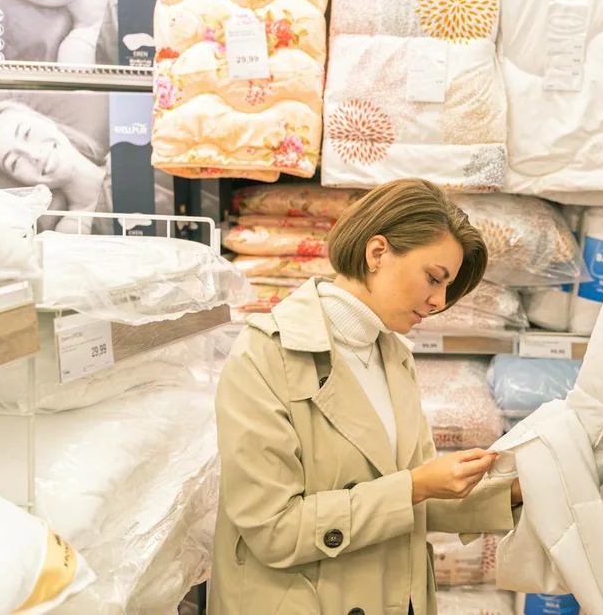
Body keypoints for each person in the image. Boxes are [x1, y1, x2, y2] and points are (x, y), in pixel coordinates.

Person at [209, 178, 522, 615]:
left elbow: (413, 498)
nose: (439, 301)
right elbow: (273, 529)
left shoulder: (392, 355)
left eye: (447, 287)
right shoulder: (265, 356)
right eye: (434, 278)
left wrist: (512, 491)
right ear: (377, 253)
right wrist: (414, 485)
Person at [0, 99, 111, 233]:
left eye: (27, 133)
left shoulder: (127, 155)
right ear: (17, 180)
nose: (34, 154)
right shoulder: (74, 230)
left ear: (45, 121)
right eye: (14, 162)